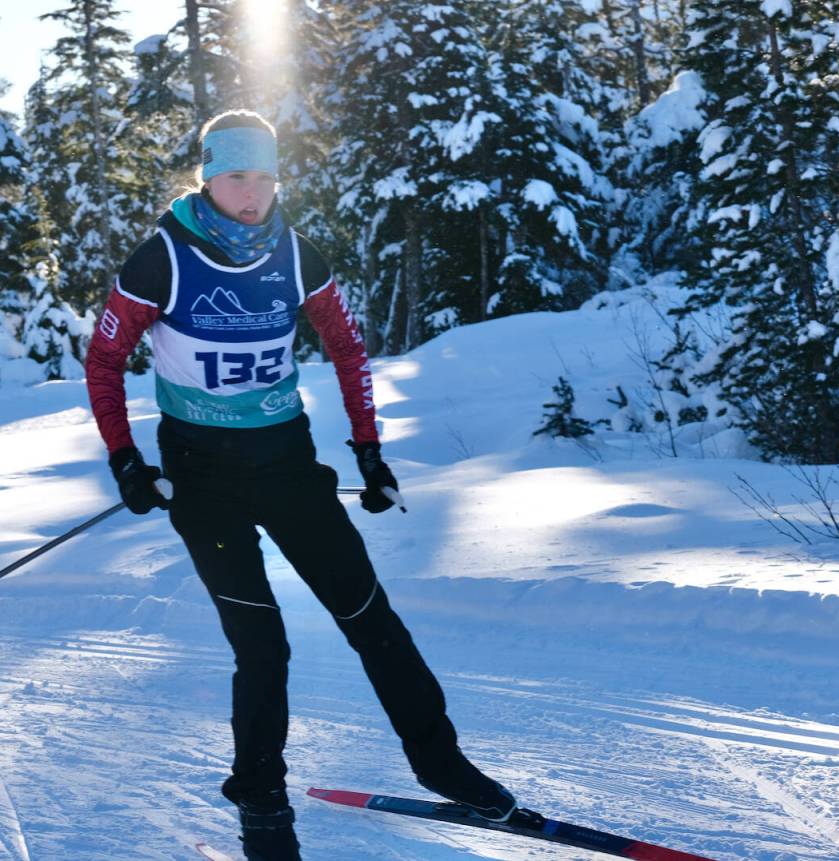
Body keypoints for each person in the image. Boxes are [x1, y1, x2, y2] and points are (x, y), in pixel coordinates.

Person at [85, 109, 516, 861]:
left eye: (264, 176)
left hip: (286, 462)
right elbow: (103, 359)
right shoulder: (162, 259)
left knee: (370, 615)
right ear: (207, 177)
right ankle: (260, 798)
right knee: (263, 645)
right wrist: (126, 458)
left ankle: (439, 762)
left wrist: (369, 451)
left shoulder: (295, 254)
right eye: (234, 176)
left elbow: (347, 345)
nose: (251, 194)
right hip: (203, 476)